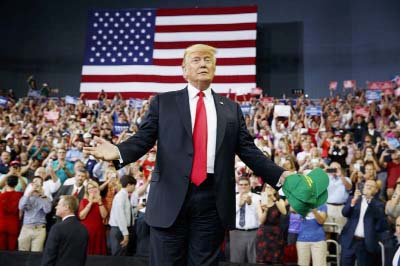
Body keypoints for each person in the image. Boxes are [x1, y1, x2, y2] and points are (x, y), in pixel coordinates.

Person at [84, 43, 290, 266]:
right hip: (170, 198)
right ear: (184, 70)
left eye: (208, 60)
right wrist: (118, 151)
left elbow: (249, 151)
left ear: (214, 68)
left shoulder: (231, 108)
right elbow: (143, 138)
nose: (203, 63)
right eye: (196, 59)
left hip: (213, 201)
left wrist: (280, 176)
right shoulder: (164, 102)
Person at [339, 180, 387, 266]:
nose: (368, 187)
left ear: (376, 190)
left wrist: (370, 201)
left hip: (365, 244)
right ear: (363, 187)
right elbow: (344, 213)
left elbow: (379, 216)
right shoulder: (353, 198)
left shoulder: (379, 204)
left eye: (371, 186)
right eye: (367, 185)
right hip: (349, 240)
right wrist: (353, 202)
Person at [41, 195, 88, 266]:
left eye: (59, 204)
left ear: (66, 207)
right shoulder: (83, 228)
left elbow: (50, 254)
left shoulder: (57, 228)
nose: (56, 207)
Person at [229, 177, 260, 263]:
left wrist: (250, 204)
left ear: (250, 186)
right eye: (241, 185)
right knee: (236, 261)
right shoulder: (232, 198)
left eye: (246, 184)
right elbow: (228, 216)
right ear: (237, 186)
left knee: (253, 261)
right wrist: (239, 205)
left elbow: (261, 216)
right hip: (236, 232)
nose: (243, 187)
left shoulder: (258, 198)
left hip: (254, 233)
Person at [18, 176, 52, 252]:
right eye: (34, 183)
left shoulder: (46, 198)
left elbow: (47, 210)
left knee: (36, 254)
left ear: (42, 185)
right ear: (31, 184)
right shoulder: (26, 197)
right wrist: (29, 193)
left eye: (38, 183)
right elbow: (21, 207)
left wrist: (43, 195)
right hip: (26, 228)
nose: (36, 185)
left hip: (39, 229)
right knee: (22, 253)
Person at [255, 183, 287, 264]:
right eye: (267, 187)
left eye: (271, 188)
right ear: (264, 189)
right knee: (261, 260)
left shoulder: (279, 200)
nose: (269, 190)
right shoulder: (261, 201)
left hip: (276, 235)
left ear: (275, 190)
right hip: (263, 234)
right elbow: (261, 221)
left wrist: (273, 198)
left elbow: (284, 212)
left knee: (276, 260)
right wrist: (265, 211)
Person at [108, 175, 136, 256]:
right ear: (129, 185)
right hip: (119, 230)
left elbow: (126, 213)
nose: (135, 188)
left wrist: (137, 208)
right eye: (134, 185)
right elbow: (120, 217)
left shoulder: (124, 196)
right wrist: (125, 234)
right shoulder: (121, 196)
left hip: (122, 229)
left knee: (122, 255)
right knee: (119, 256)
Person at [78, 180, 107, 255]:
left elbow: (104, 215)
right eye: (89, 188)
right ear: (87, 191)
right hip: (86, 231)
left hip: (99, 231)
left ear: (97, 188)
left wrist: (100, 202)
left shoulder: (103, 200)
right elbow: (81, 216)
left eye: (94, 187)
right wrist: (90, 203)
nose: (91, 189)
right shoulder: (84, 201)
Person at [0, 175, 23, 250]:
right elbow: (20, 213)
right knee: (12, 249)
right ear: (16, 184)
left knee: (1, 248)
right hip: (14, 223)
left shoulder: (1, 196)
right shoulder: (20, 195)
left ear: (6, 183)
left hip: (2, 223)